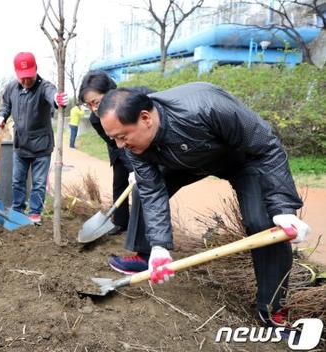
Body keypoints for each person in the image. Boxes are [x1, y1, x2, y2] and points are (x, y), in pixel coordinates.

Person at [97, 84, 310, 331]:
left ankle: (272, 308)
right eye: (114, 139)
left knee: (264, 225)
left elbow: (266, 146)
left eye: (123, 137)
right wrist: (159, 245)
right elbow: (153, 190)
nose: (121, 145)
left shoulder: (205, 107)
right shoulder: (134, 146)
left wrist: (283, 207)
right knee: (142, 189)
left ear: (145, 118)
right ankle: (148, 256)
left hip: (242, 160)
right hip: (184, 162)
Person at [78, 71, 154, 236]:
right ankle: (120, 223)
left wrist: (138, 167)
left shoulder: (135, 98)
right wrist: (131, 168)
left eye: (95, 102)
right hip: (119, 150)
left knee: (145, 187)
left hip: (145, 147)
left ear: (110, 92)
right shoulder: (95, 119)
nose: (93, 108)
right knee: (119, 183)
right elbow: (115, 143)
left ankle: (146, 227)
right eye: (88, 105)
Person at [0, 52, 68, 226]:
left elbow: (52, 95)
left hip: (41, 147)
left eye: (29, 77)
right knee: (17, 180)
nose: (26, 81)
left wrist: (57, 100)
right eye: (22, 78)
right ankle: (18, 210)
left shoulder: (45, 87)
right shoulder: (12, 88)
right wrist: (1, 117)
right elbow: (6, 106)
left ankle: (35, 213)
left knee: (38, 182)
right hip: (21, 145)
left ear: (36, 69)